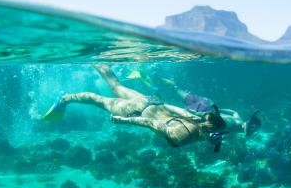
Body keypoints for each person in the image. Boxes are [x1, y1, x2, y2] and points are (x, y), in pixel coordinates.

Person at [41, 65, 260, 151]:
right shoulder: (182, 134)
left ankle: (99, 59)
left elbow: (180, 111)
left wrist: (159, 102)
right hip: (135, 112)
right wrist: (124, 121)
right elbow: (151, 123)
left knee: (116, 85)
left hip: (148, 102)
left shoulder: (200, 120)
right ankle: (65, 98)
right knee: (98, 100)